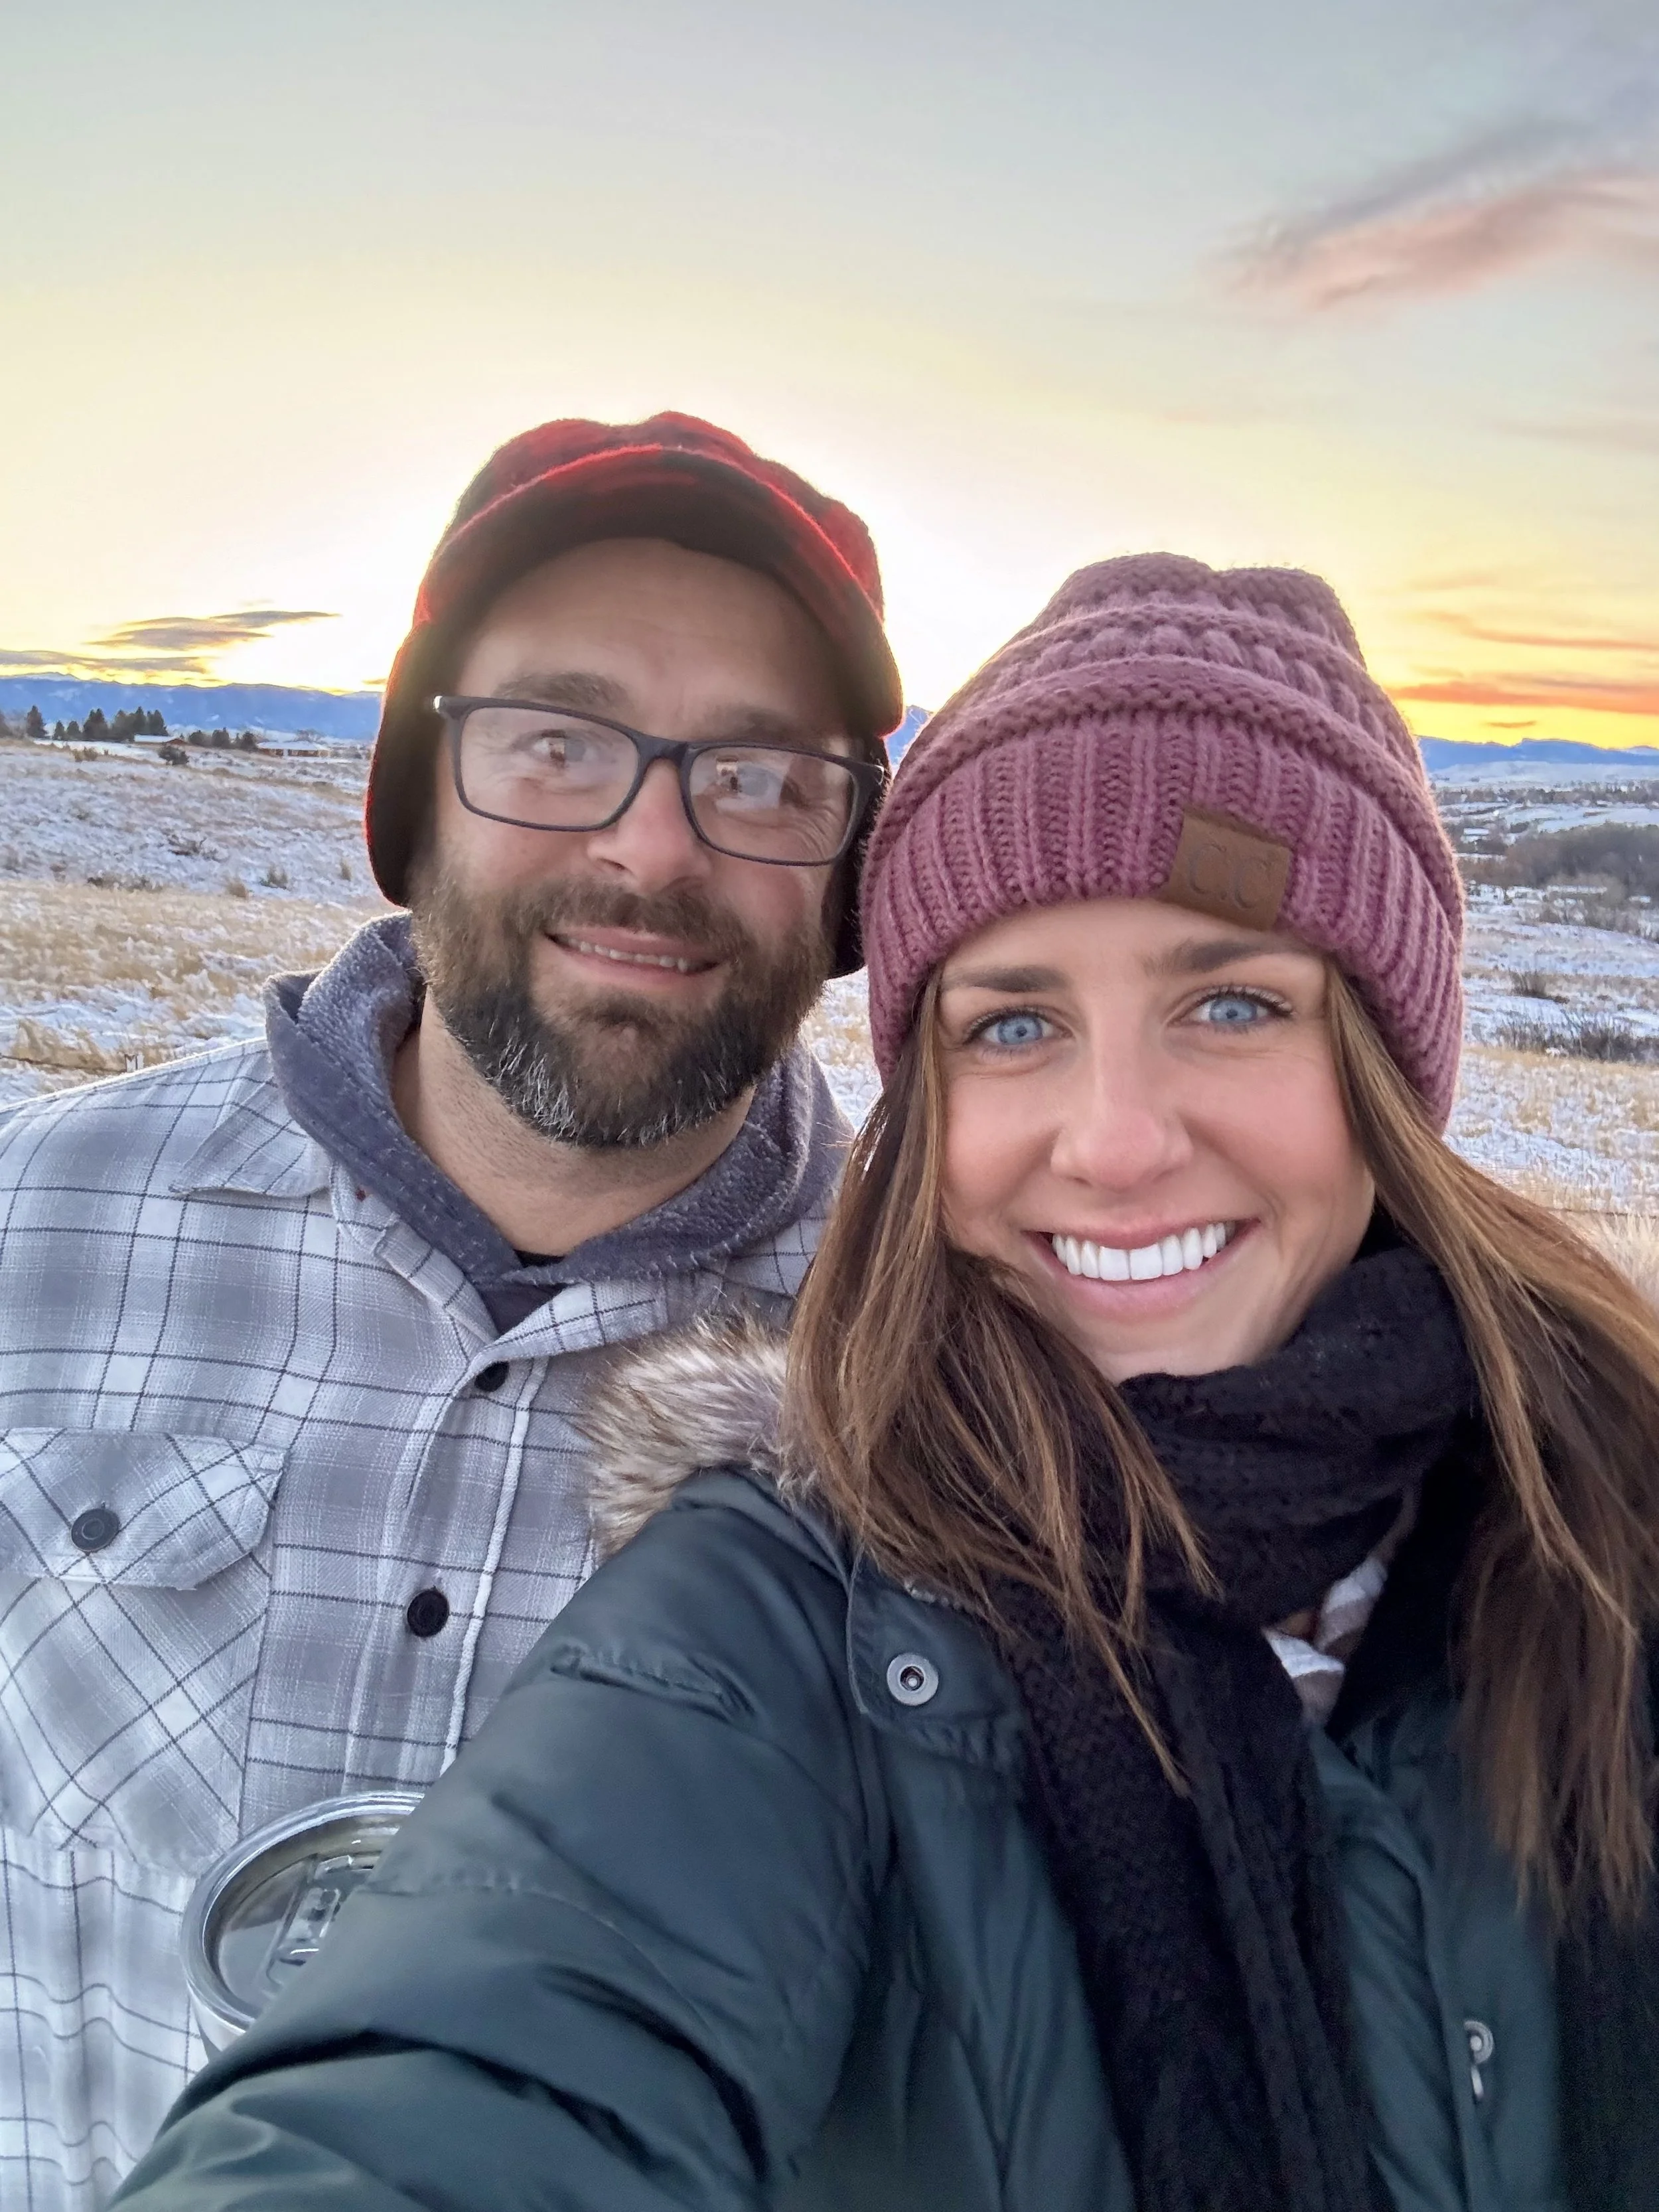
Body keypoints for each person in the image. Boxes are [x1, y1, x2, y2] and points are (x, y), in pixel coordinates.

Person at [112, 556, 1659, 2212]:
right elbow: (475, 2069)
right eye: (1010, 1026)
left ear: (1382, 1067)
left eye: (1230, 1003)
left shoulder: (1603, 1529)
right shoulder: (791, 1604)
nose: (1118, 1140)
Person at [0, 411, 901, 2208]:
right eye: (555, 742)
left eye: (756, 776)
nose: (649, 851)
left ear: (845, 865)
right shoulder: (37, 1225)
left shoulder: (943, 1367)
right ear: (418, 795)